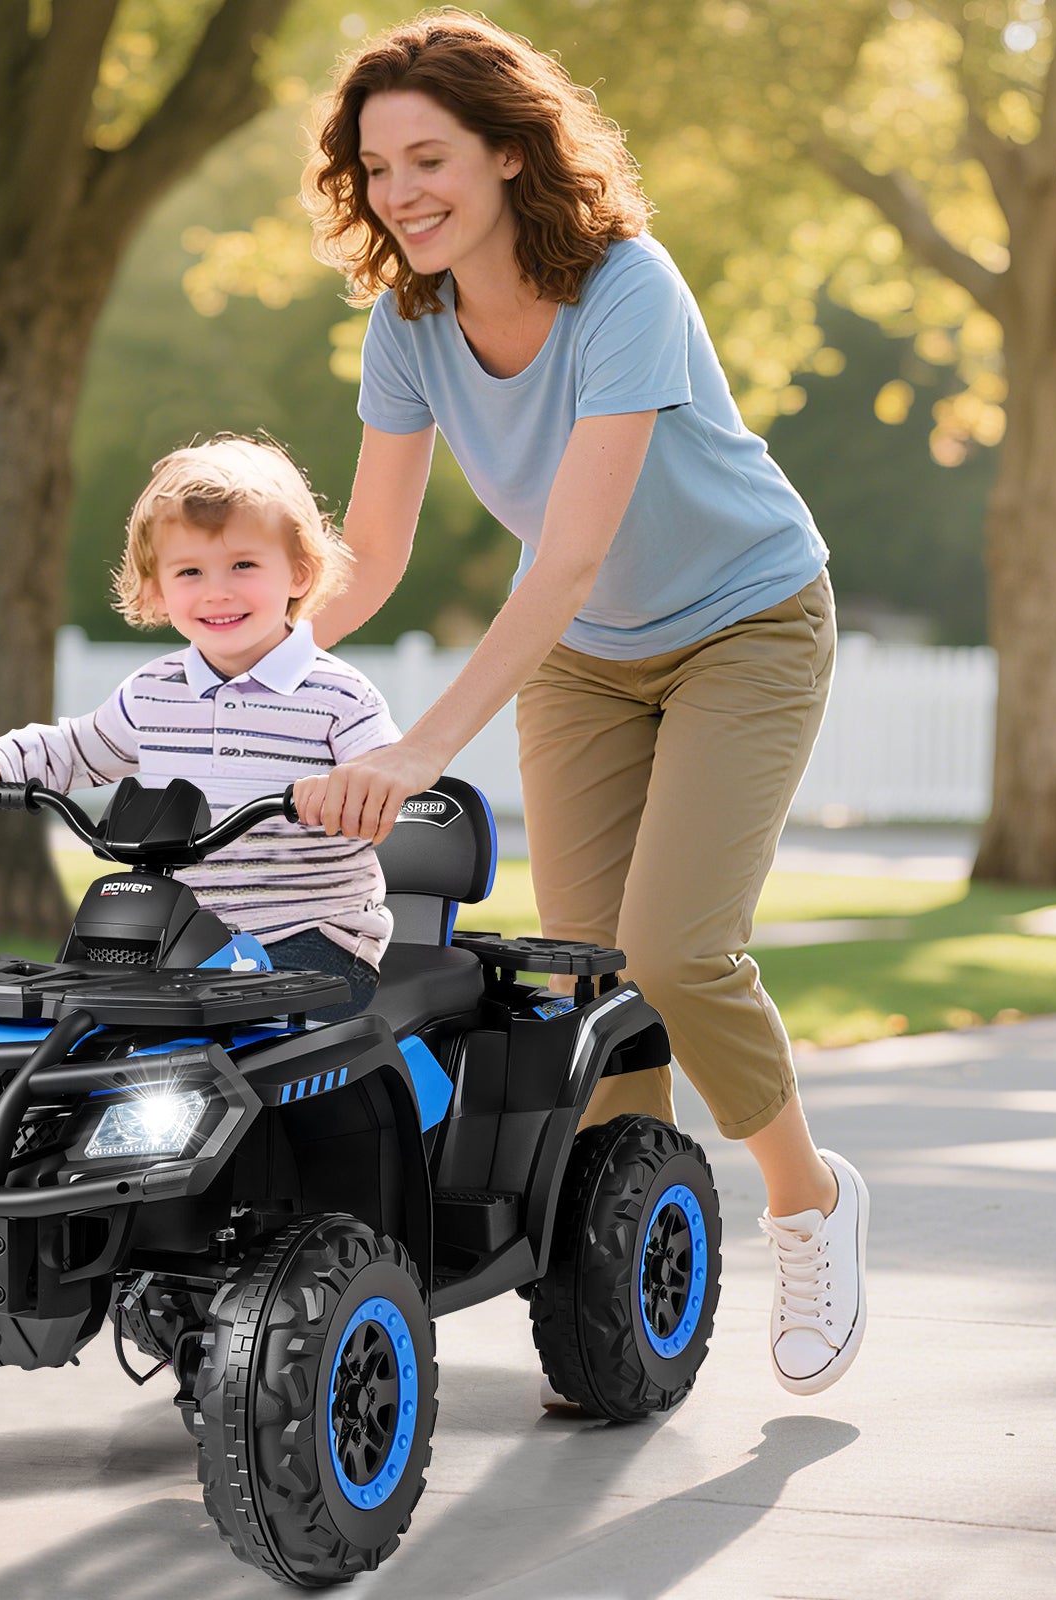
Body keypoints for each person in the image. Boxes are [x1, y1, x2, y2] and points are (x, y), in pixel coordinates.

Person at [291, 12, 868, 1396]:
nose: (402, 192)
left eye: (429, 157)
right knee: (586, 985)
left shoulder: (625, 285)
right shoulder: (409, 323)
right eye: (376, 169)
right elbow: (368, 558)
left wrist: (428, 742)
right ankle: (626, 1291)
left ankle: (808, 1202)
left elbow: (571, 553)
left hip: (747, 622)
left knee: (677, 951)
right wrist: (248, 659)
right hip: (588, 660)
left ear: (507, 154)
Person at [0, 436, 399, 1022]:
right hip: (178, 932)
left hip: (308, 934)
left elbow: (388, 775)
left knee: (251, 1034)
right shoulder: (152, 692)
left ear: (300, 574)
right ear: (157, 588)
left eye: (244, 565)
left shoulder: (338, 695)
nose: (217, 590)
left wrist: (353, 791)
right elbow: (76, 747)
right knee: (67, 1015)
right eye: (190, 572)